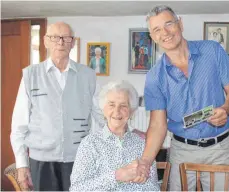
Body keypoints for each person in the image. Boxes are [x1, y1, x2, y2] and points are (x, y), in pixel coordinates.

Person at [138, 5, 229, 191]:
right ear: (153, 37)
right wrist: (145, 162)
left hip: (221, 149)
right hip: (182, 151)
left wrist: (226, 109)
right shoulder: (154, 77)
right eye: (156, 29)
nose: (165, 32)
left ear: (180, 24)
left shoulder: (212, 51)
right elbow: (157, 124)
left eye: (169, 24)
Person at [10, 22, 104, 191]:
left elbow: (102, 116)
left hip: (79, 158)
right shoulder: (31, 75)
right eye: (55, 37)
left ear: (72, 42)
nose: (60, 42)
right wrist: (22, 164)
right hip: (41, 161)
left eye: (66, 38)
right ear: (46, 41)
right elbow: (19, 125)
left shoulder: (88, 75)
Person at [69, 80, 160, 191]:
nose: (117, 112)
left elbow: (154, 188)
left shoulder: (143, 145)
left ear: (131, 112)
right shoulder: (90, 144)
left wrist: (141, 178)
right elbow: (76, 189)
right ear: (104, 109)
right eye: (111, 105)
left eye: (123, 106)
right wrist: (116, 176)